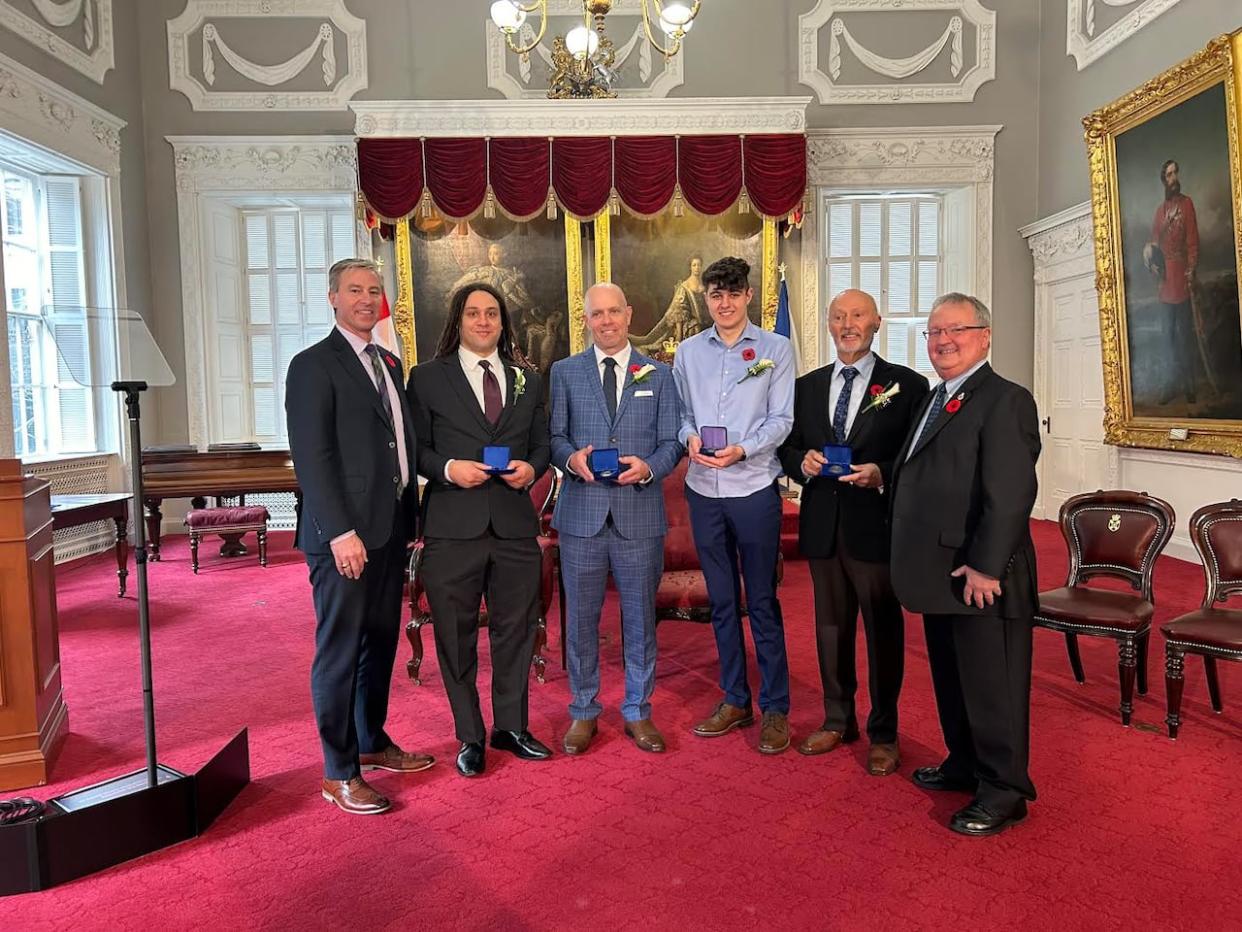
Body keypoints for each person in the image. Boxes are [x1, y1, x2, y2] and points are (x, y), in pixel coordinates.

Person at [285, 258, 433, 816]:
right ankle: (338, 771)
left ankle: (371, 739)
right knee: (341, 649)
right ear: (332, 298)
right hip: (343, 536)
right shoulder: (312, 365)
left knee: (381, 641)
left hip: (391, 527)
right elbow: (313, 457)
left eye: (374, 291)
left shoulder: (389, 364)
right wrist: (340, 530)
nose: (367, 299)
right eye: (355, 290)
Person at [889, 292, 1040, 837]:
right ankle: (963, 763)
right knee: (954, 680)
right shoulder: (937, 396)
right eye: (933, 333)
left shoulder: (1005, 399)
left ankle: (1004, 790)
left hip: (982, 578)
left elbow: (1012, 493)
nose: (943, 341)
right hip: (940, 573)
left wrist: (985, 566)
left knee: (991, 685)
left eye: (956, 330)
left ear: (985, 336)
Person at [777, 289, 928, 775]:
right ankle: (838, 718)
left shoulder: (907, 385)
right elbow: (786, 448)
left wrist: (881, 473)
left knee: (883, 633)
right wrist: (802, 461)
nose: (847, 324)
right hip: (823, 527)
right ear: (827, 323)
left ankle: (884, 732)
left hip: (875, 527)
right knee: (830, 629)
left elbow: (917, 457)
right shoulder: (805, 385)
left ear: (876, 322)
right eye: (838, 316)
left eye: (857, 315)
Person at [407, 282, 553, 778]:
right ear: (458, 320)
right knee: (456, 633)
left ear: (502, 322)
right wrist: (448, 468)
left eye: (492, 313)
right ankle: (470, 735)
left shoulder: (527, 380)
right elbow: (417, 449)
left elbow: (541, 445)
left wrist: (532, 471)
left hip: (513, 524)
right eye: (474, 313)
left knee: (515, 630)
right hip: (453, 524)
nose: (484, 321)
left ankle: (510, 727)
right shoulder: (426, 378)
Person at [549, 282, 684, 756]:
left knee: (640, 620)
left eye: (613, 312)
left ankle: (638, 711)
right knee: (581, 622)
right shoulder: (565, 372)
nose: (606, 321)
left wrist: (649, 468)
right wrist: (571, 460)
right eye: (596, 314)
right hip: (582, 514)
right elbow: (555, 438)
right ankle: (583, 710)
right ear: (586, 319)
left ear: (628, 314)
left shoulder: (659, 375)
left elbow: (673, 443)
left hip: (638, 516)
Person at [673, 256, 795, 754]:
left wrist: (743, 449)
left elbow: (782, 418)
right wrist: (689, 441)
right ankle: (735, 698)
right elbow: (680, 414)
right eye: (715, 295)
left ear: (748, 296)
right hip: (704, 491)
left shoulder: (776, 349)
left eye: (733, 293)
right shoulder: (687, 351)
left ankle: (776, 709)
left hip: (753, 489)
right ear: (707, 298)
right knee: (722, 601)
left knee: (761, 600)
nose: (724, 303)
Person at [1144, 158, 1202, 404]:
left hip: (1183, 280)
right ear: (1163, 180)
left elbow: (1193, 241)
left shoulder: (1187, 204)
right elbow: (1154, 242)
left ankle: (1189, 384)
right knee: (1167, 337)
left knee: (1185, 337)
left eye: (1175, 173)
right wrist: (1152, 262)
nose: (1174, 178)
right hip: (1165, 283)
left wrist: (1191, 270)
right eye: (1169, 175)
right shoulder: (1159, 212)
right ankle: (1170, 384)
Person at [634, 255, 709, 354]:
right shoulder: (684, 287)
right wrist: (679, 336)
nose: (697, 268)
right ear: (690, 267)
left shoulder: (705, 285)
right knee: (696, 328)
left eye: (699, 265)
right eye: (694, 265)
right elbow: (678, 312)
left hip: (707, 322)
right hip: (688, 325)